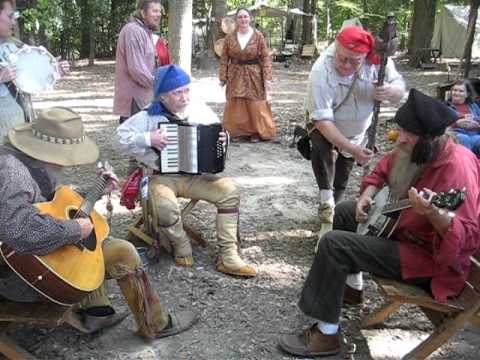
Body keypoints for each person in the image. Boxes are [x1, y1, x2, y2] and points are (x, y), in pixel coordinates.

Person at [278, 89, 480, 357]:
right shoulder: (418, 149)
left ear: (432, 138)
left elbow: (466, 237)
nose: (401, 138)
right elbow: (383, 167)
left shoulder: (458, 168)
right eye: (401, 130)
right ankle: (352, 288)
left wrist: (434, 214)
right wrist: (367, 194)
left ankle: (326, 336)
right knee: (346, 212)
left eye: (408, 133)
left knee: (335, 244)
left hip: (429, 261)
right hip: (403, 233)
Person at [0, 107, 197, 339]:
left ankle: (98, 311)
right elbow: (19, 230)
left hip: (29, 262)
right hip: (18, 278)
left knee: (95, 236)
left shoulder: (24, 162)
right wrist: (75, 229)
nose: (67, 164)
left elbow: (51, 205)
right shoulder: (14, 174)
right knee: (122, 251)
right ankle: (156, 324)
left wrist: (97, 190)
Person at [116, 64, 257, 278]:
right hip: (162, 177)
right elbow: (118, 139)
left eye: (186, 90)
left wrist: (223, 140)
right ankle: (180, 243)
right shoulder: (147, 116)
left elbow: (218, 134)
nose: (185, 97)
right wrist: (147, 138)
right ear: (162, 97)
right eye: (177, 92)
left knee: (229, 191)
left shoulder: (199, 110)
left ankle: (228, 255)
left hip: (196, 176)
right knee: (163, 204)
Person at [305, 25, 405, 233]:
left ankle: (334, 213)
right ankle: (326, 203)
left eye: (355, 61)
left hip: (359, 129)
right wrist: (350, 147)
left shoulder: (378, 61)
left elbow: (400, 90)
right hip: (328, 126)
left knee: (344, 170)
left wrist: (390, 91)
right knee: (321, 150)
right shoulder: (320, 71)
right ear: (336, 48)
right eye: (342, 58)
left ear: (365, 55)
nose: (347, 65)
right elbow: (322, 120)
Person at [0, 0, 69, 141]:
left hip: (19, 125)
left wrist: (54, 70)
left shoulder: (14, 44)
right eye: (9, 16)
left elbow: (34, 70)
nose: (14, 22)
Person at [219, 7, 276, 143]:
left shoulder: (258, 36)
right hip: (235, 73)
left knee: (255, 103)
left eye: (245, 17)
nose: (243, 19)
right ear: (236, 20)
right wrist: (223, 77)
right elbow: (224, 58)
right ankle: (236, 131)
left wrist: (267, 78)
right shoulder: (229, 37)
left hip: (254, 74)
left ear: (250, 18)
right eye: (240, 17)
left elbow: (265, 57)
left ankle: (256, 132)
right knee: (236, 101)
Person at [113, 0, 162, 124]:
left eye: (160, 11)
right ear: (143, 13)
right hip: (134, 104)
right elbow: (137, 70)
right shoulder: (133, 31)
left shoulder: (145, 31)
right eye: (154, 11)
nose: (159, 14)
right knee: (135, 141)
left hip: (142, 101)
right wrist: (160, 86)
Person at [446, 80, 480, 157]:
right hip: (457, 135)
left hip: (474, 135)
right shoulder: (445, 106)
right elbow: (440, 124)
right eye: (455, 90)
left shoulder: (473, 105)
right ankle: (469, 165)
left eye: (461, 91)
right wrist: (456, 124)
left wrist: (477, 125)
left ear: (467, 94)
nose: (457, 93)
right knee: (464, 139)